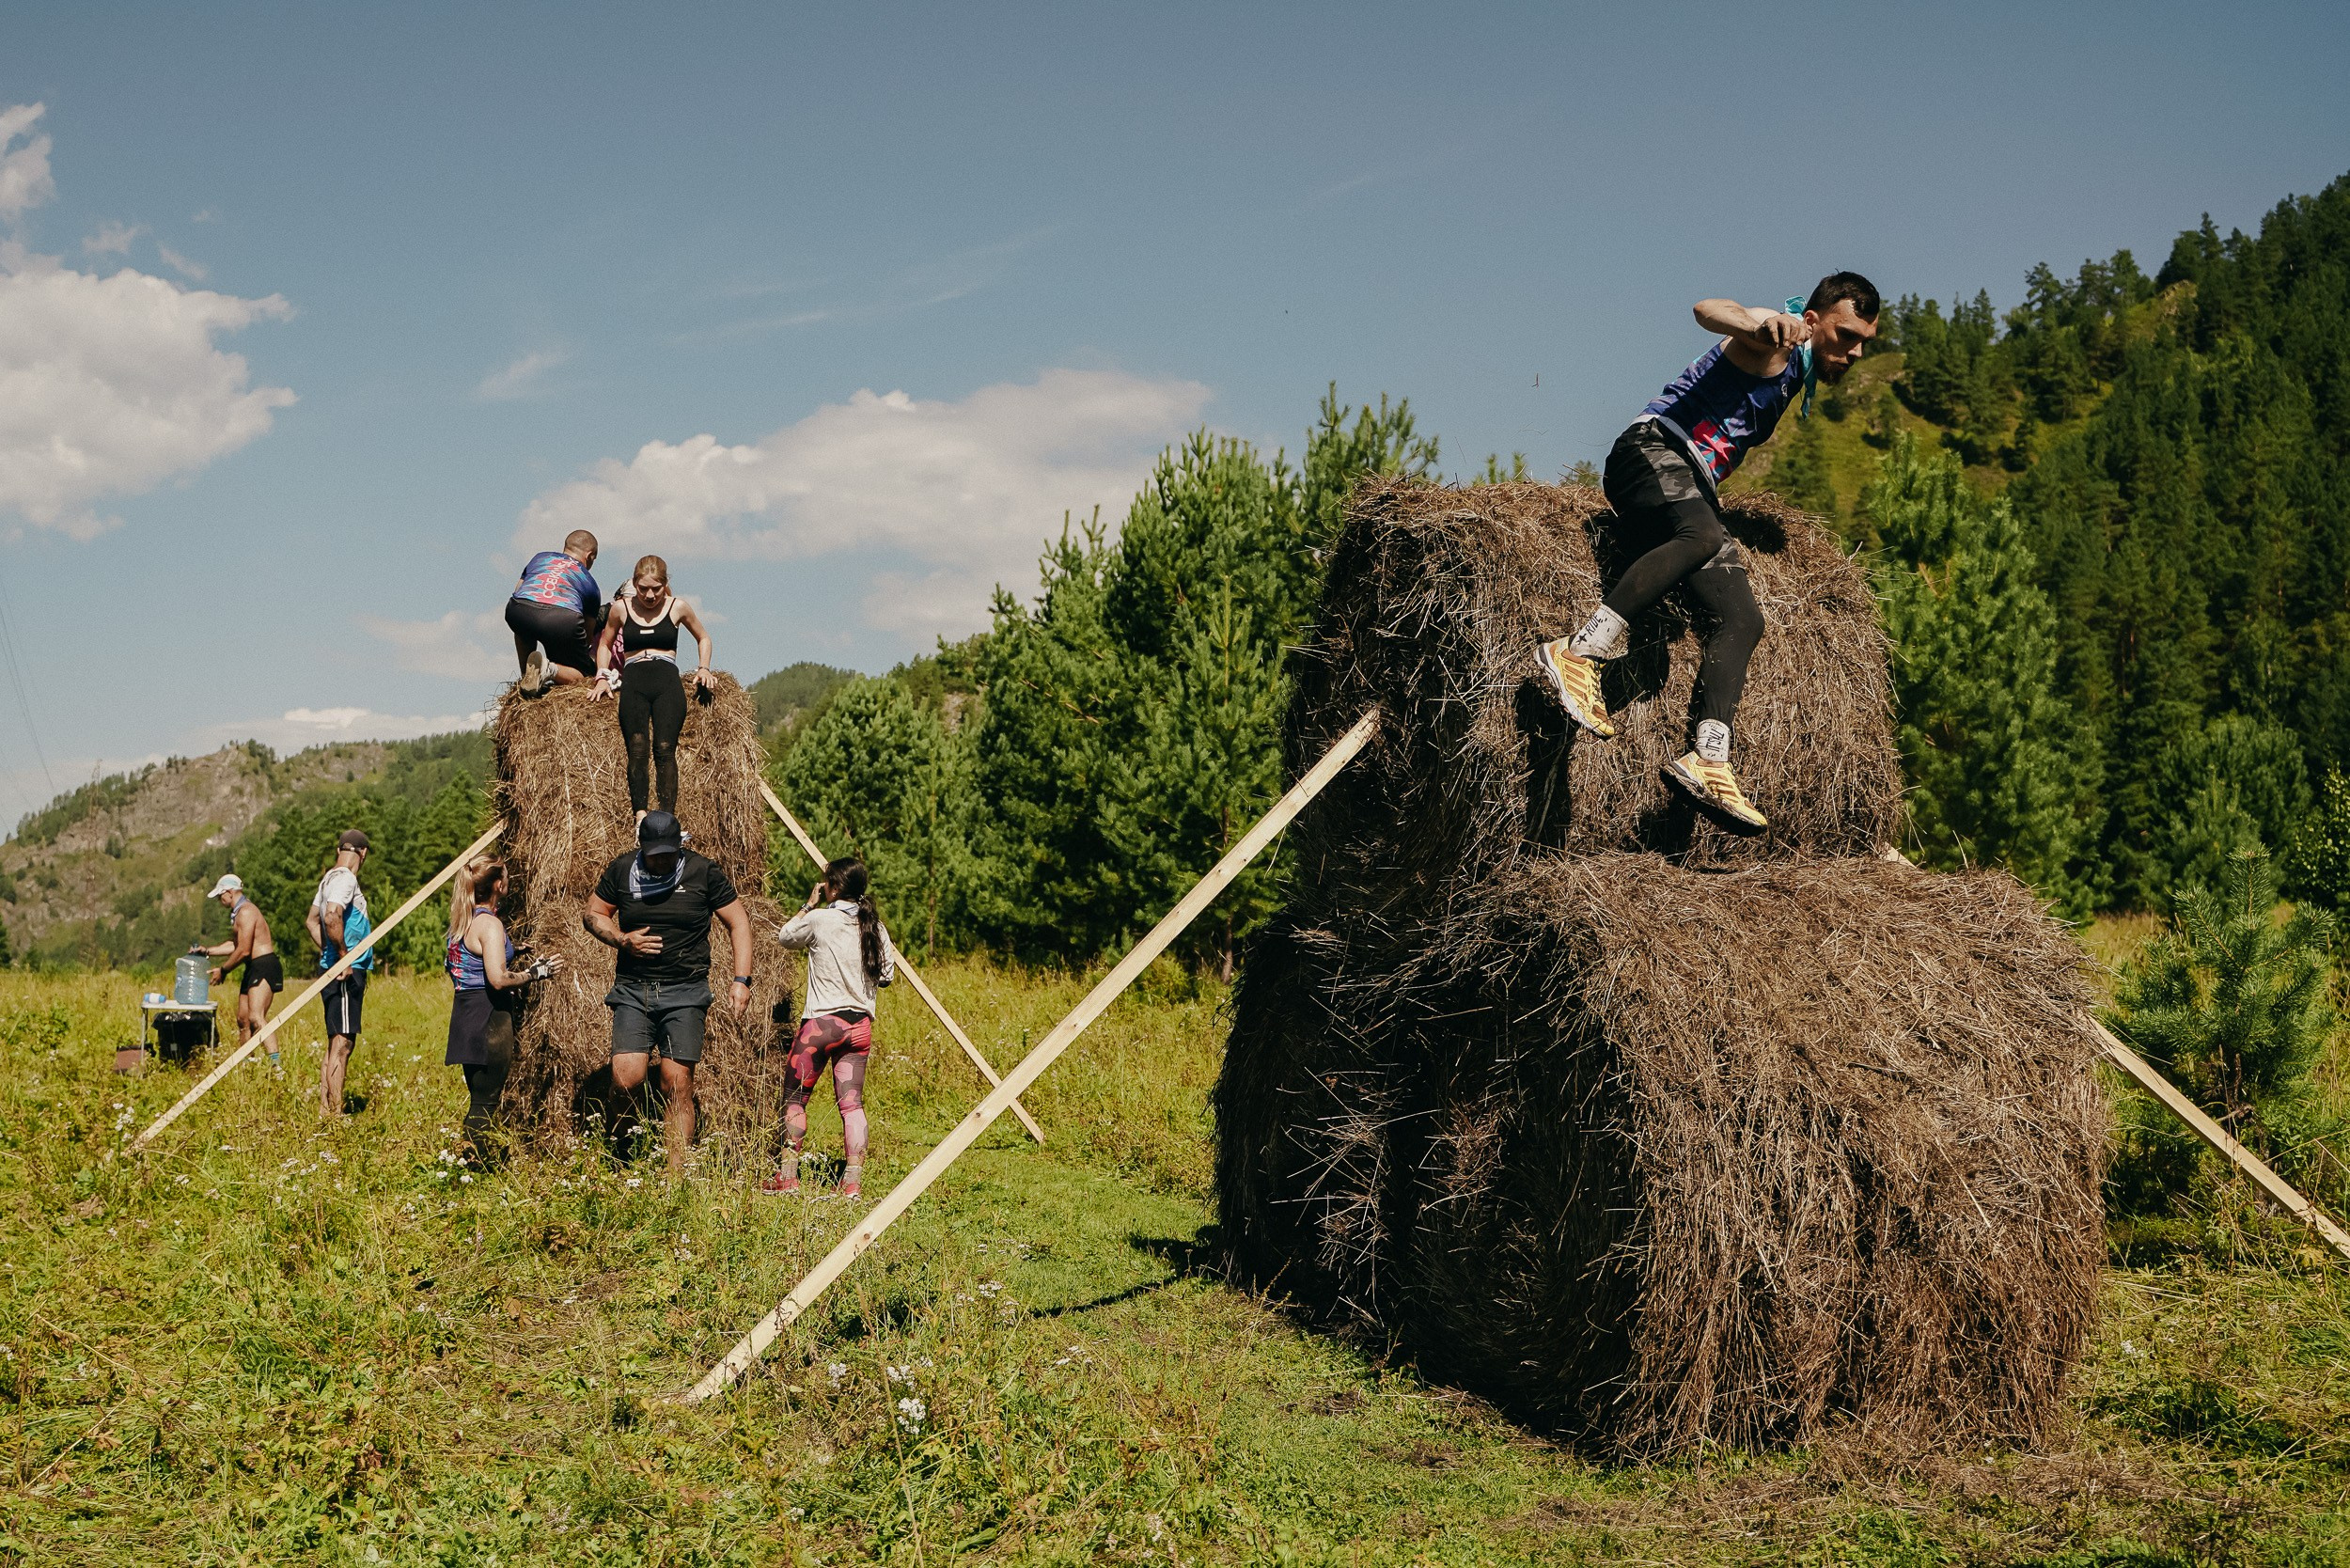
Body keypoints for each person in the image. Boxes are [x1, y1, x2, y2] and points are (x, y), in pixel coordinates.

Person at [1535, 273, 1881, 834]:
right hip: (1650, 451)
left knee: (1742, 619)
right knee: (1702, 536)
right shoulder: (1777, 340)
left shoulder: (1799, 369)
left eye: (1865, 341)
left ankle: (1709, 759)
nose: (1855, 351)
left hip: (1689, 487)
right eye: (1845, 335)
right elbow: (1707, 308)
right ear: (1813, 321)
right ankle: (1578, 651)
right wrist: (1757, 323)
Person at [584, 809, 753, 1176]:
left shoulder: (702, 872)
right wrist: (620, 939)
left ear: (681, 844)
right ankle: (624, 1159)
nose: (661, 858)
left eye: (668, 851)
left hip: (686, 991)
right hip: (633, 991)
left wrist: (742, 979)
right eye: (654, 852)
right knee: (626, 1079)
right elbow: (594, 913)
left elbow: (738, 921)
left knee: (676, 1084)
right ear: (641, 846)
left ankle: (676, 1177)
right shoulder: (622, 870)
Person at [762, 856, 893, 1200]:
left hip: (821, 1026)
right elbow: (887, 977)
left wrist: (809, 904)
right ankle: (851, 1183)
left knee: (795, 1098)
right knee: (851, 1105)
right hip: (859, 1028)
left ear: (832, 887)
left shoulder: (820, 919)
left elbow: (785, 937)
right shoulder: (876, 927)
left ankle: (787, 1178)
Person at [445, 855, 562, 1165]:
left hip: (466, 1014)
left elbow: (466, 964)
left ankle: (474, 1164)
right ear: (498, 884)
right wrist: (536, 973)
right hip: (490, 1018)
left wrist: (511, 949)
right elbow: (498, 979)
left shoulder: (464, 920)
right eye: (506, 877)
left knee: (479, 1098)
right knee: (486, 1102)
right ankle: (476, 1170)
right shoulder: (490, 924)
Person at [593, 555, 716, 823]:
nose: (650, 595)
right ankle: (640, 814)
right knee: (637, 747)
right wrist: (602, 676)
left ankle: (666, 816)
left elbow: (703, 636)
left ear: (665, 585)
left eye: (656, 589)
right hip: (634, 680)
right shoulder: (621, 609)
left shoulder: (678, 607)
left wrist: (703, 667)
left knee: (664, 748)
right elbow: (605, 643)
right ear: (635, 584)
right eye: (643, 588)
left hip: (666, 682)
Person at [304, 828, 375, 1120]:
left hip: (334, 969)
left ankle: (325, 1110)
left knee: (336, 1040)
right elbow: (332, 915)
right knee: (343, 1044)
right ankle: (335, 1113)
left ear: (338, 851)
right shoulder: (346, 878)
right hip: (346, 973)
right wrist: (343, 957)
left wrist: (329, 954)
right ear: (364, 854)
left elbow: (311, 921)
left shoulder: (328, 878)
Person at [191, 872, 282, 1063]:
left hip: (264, 964)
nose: (219, 900)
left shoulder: (247, 911)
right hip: (252, 966)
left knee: (256, 1017)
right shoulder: (239, 913)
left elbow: (243, 950)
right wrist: (206, 951)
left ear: (230, 892)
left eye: (220, 896)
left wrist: (223, 971)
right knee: (243, 1020)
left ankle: (276, 1066)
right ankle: (247, 1064)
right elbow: (236, 945)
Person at [507, 528, 603, 694]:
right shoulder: (590, 583)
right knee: (583, 675)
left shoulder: (541, 557)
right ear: (589, 556)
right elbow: (586, 637)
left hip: (519, 609)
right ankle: (547, 669)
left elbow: (518, 589)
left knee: (523, 628)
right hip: (562, 619)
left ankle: (527, 676)